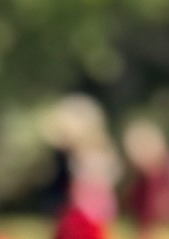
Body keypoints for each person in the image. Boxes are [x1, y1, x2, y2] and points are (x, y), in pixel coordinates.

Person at [41, 95, 120, 227]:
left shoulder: (97, 148)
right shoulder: (69, 151)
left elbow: (110, 172)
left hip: (93, 195)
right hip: (80, 195)